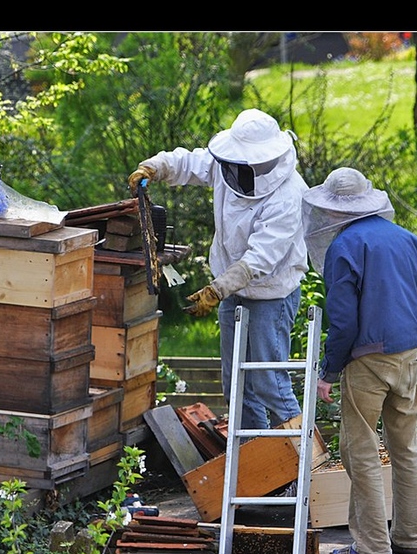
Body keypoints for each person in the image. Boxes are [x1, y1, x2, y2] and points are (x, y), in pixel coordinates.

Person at [128, 108, 309, 430]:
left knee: (268, 380)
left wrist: (217, 289)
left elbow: (262, 256)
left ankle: (302, 459)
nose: (235, 168)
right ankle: (253, 460)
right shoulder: (229, 165)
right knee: (236, 383)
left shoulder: (288, 194)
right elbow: (189, 163)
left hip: (271, 295)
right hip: (231, 291)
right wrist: (154, 166)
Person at [301, 167, 417, 554]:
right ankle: (410, 537)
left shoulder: (343, 247)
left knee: (361, 451)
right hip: (409, 354)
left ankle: (372, 545)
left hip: (368, 359)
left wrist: (329, 372)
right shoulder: (406, 238)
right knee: (405, 447)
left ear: (333, 210)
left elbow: (343, 321)